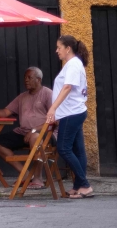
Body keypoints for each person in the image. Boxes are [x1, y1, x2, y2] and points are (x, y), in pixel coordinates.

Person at [0, 67, 53, 188]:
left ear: (38, 79)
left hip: (43, 132)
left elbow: (54, 120)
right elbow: (5, 112)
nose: (26, 80)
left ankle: (38, 178)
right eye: (25, 77)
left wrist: (34, 130)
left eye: (29, 78)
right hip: (23, 133)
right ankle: (25, 174)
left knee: (35, 138)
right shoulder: (22, 97)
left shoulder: (48, 94)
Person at [46, 35, 92, 199]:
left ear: (68, 48)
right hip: (74, 112)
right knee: (78, 150)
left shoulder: (73, 64)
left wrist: (52, 108)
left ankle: (85, 185)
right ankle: (79, 186)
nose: (56, 50)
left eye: (59, 47)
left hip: (71, 113)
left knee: (64, 148)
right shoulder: (73, 64)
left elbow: (67, 88)